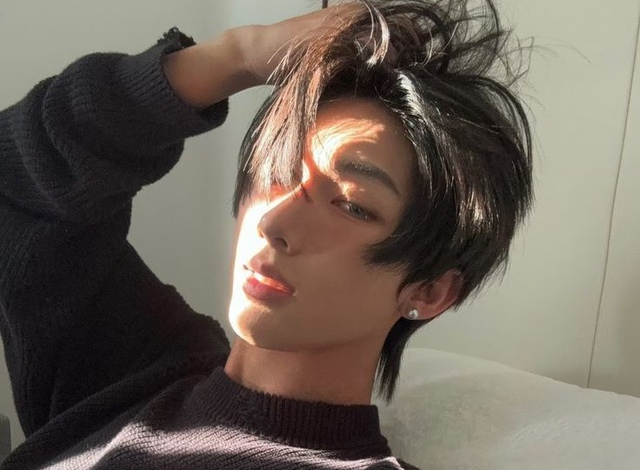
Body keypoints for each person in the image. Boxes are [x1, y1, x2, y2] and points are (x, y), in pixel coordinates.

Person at [0, 0, 532, 468]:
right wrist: (239, 55)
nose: (273, 223)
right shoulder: (139, 368)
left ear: (430, 290)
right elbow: (15, 182)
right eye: (277, 172)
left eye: (351, 205)